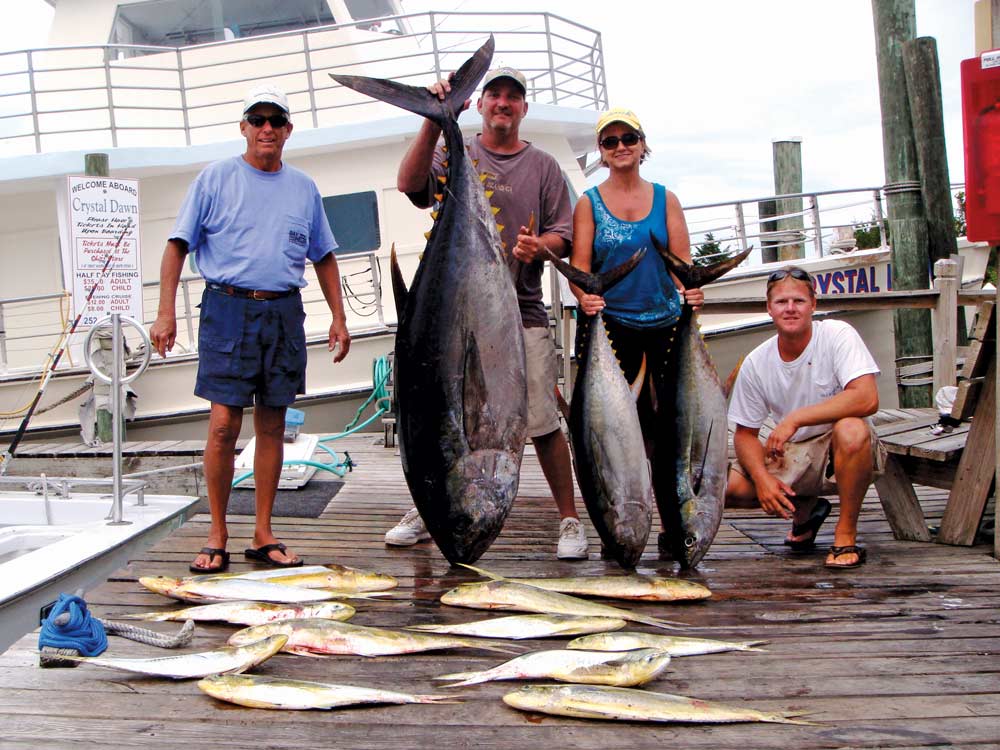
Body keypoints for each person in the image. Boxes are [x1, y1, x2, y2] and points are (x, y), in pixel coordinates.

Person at [386, 66, 587, 560]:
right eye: (493, 94)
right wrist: (437, 119)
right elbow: (410, 185)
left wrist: (539, 246)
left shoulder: (543, 167)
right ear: (479, 105)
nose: (502, 102)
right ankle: (431, 505)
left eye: (511, 97)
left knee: (540, 421)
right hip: (449, 317)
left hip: (521, 312)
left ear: (523, 108)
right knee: (433, 414)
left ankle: (568, 518)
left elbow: (564, 231)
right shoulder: (459, 151)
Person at [149, 83, 351, 574]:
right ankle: (217, 532)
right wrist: (165, 311)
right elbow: (177, 245)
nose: (266, 129)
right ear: (243, 127)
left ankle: (263, 533)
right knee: (222, 426)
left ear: (287, 130)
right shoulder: (215, 178)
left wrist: (340, 318)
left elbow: (322, 255)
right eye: (257, 120)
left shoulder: (303, 187)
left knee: (273, 427)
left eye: (275, 121)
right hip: (228, 308)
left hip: (284, 311)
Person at [569, 108, 703, 557]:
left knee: (666, 432)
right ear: (602, 153)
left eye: (629, 138)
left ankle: (671, 525)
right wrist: (585, 296)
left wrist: (691, 293)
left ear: (643, 145)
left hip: (664, 328)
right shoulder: (589, 202)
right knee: (608, 435)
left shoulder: (666, 199)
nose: (621, 146)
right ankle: (618, 525)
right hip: (610, 330)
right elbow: (582, 270)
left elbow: (681, 264)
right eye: (610, 142)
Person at [725, 266, 886, 569]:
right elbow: (745, 434)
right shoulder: (757, 361)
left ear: (813, 304)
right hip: (792, 452)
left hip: (838, 448)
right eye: (781, 302)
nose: (790, 309)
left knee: (852, 429)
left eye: (798, 301)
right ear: (768, 308)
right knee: (726, 488)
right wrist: (762, 480)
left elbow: (867, 397)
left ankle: (846, 533)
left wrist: (796, 418)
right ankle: (805, 511)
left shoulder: (838, 333)